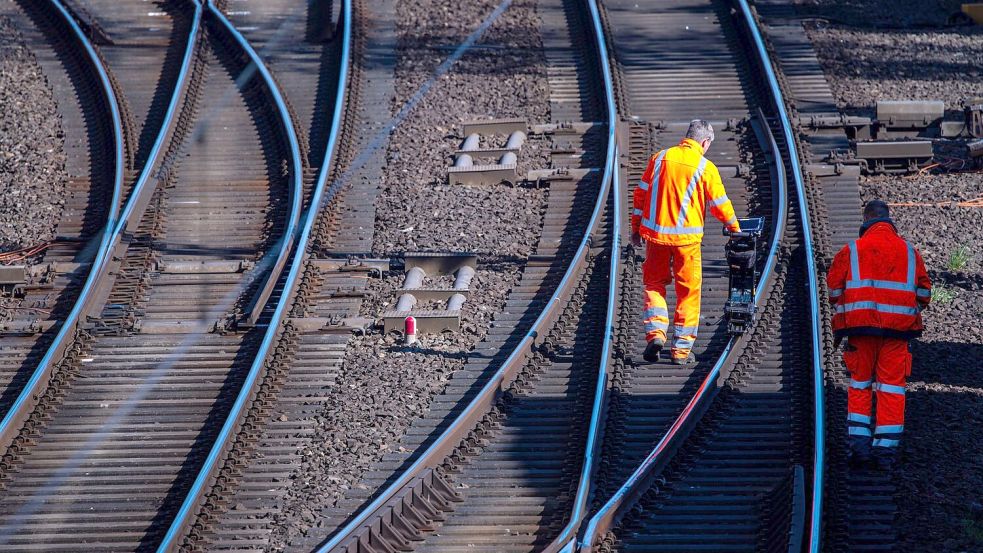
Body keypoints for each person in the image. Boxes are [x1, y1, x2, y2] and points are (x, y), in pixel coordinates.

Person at [826, 200, 931, 469]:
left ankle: (859, 447)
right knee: (892, 389)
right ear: (889, 221)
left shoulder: (850, 251)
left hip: (860, 333)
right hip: (898, 334)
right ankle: (885, 451)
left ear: (865, 221)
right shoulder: (910, 252)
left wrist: (853, 310)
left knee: (860, 384)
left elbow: (834, 293)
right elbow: (924, 294)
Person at [631, 120, 742, 365]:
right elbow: (720, 204)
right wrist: (735, 228)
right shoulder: (705, 167)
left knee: (653, 284)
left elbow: (640, 194)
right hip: (687, 243)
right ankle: (680, 351)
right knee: (688, 293)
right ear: (704, 142)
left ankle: (656, 334)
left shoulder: (659, 158)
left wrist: (635, 229)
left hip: (656, 238)